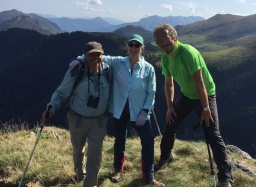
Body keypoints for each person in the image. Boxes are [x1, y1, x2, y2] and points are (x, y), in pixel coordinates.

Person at [70, 34, 164, 186]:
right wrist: (80, 59)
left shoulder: (148, 69)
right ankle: (117, 170)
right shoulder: (118, 62)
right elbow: (97, 56)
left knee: (148, 142)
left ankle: (149, 176)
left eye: (136, 45)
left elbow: (151, 92)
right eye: (131, 45)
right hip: (119, 111)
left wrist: (145, 111)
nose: (133, 48)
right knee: (120, 141)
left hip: (139, 112)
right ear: (127, 46)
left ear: (142, 48)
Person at [152, 23, 233, 187]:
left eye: (166, 39)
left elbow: (199, 83)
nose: (164, 44)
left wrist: (205, 108)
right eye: (160, 41)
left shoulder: (188, 53)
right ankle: (166, 156)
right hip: (187, 95)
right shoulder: (166, 58)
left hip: (205, 95)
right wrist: (169, 107)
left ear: (174, 38)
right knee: (170, 124)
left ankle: (226, 177)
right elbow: (169, 84)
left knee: (213, 135)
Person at [41, 41, 110, 187]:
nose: (95, 57)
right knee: (78, 149)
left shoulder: (108, 70)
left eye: (98, 54)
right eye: (91, 54)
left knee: (95, 155)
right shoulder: (77, 70)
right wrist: (51, 108)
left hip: (99, 121)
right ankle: (80, 174)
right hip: (77, 118)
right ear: (85, 55)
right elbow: (62, 92)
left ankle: (90, 184)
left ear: (102, 55)